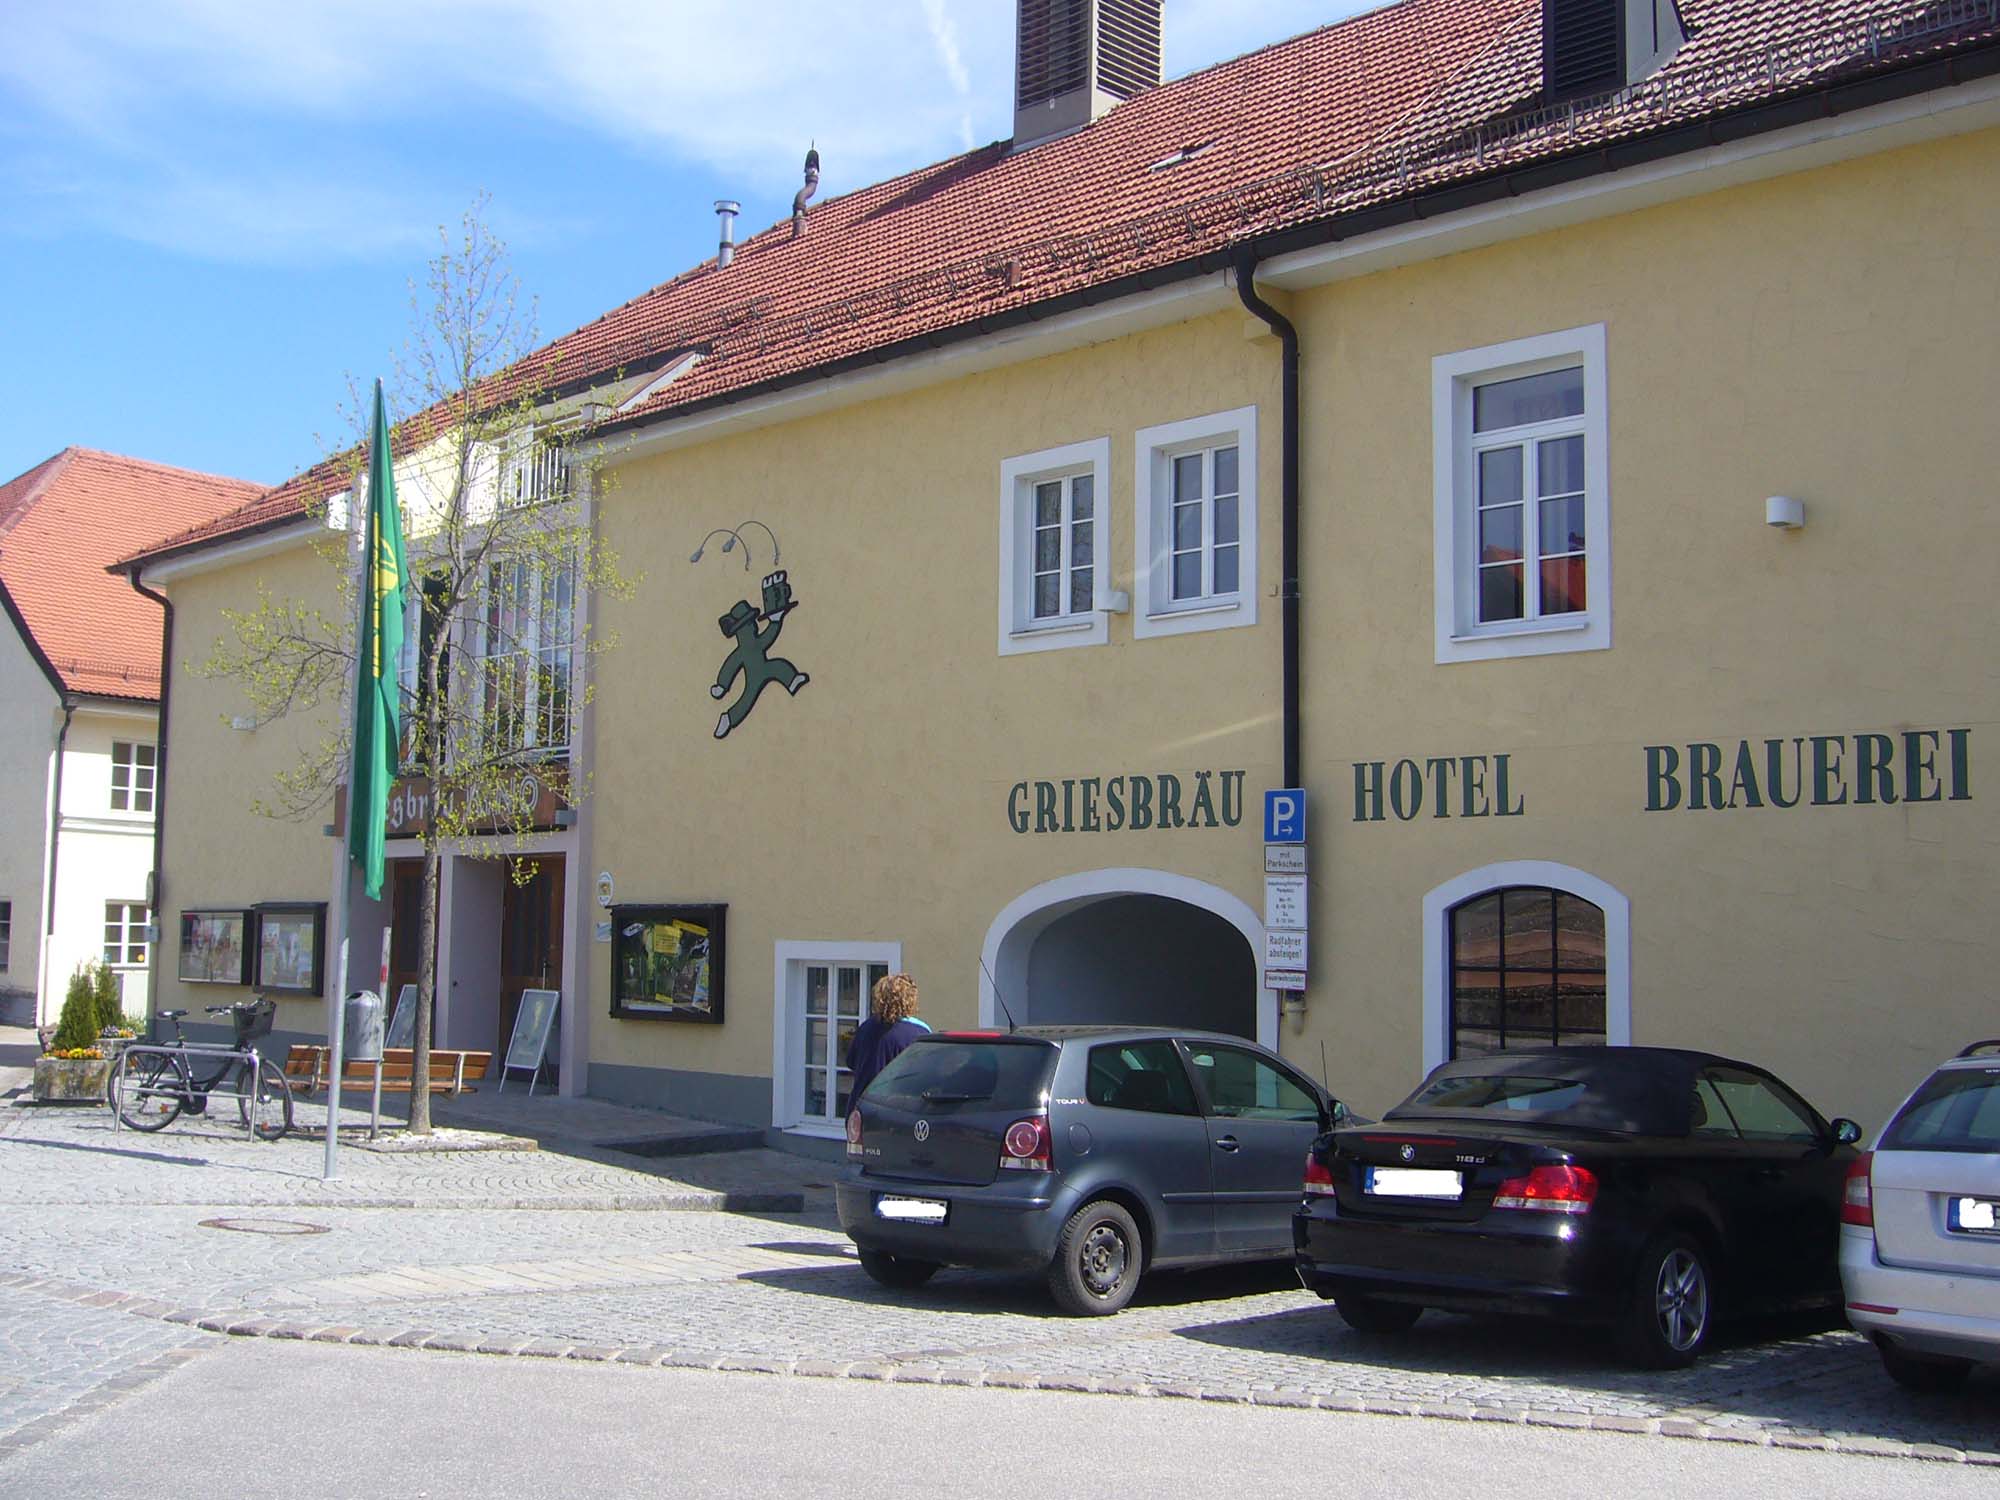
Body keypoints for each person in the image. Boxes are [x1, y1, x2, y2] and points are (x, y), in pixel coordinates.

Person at [844, 972, 930, 1106]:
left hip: (861, 1108)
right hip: (897, 1110)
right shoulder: (919, 1032)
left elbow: (852, 1062)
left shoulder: (866, 1028)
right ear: (911, 1000)